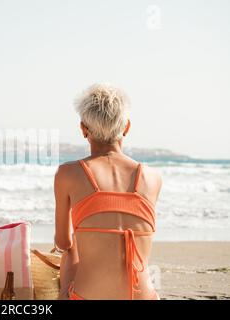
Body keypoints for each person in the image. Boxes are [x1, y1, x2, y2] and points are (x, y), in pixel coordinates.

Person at [54, 84, 162, 300]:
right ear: (127, 127)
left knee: (71, 249)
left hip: (88, 296)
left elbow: (63, 243)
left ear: (83, 128)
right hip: (143, 297)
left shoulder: (68, 173)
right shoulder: (152, 177)